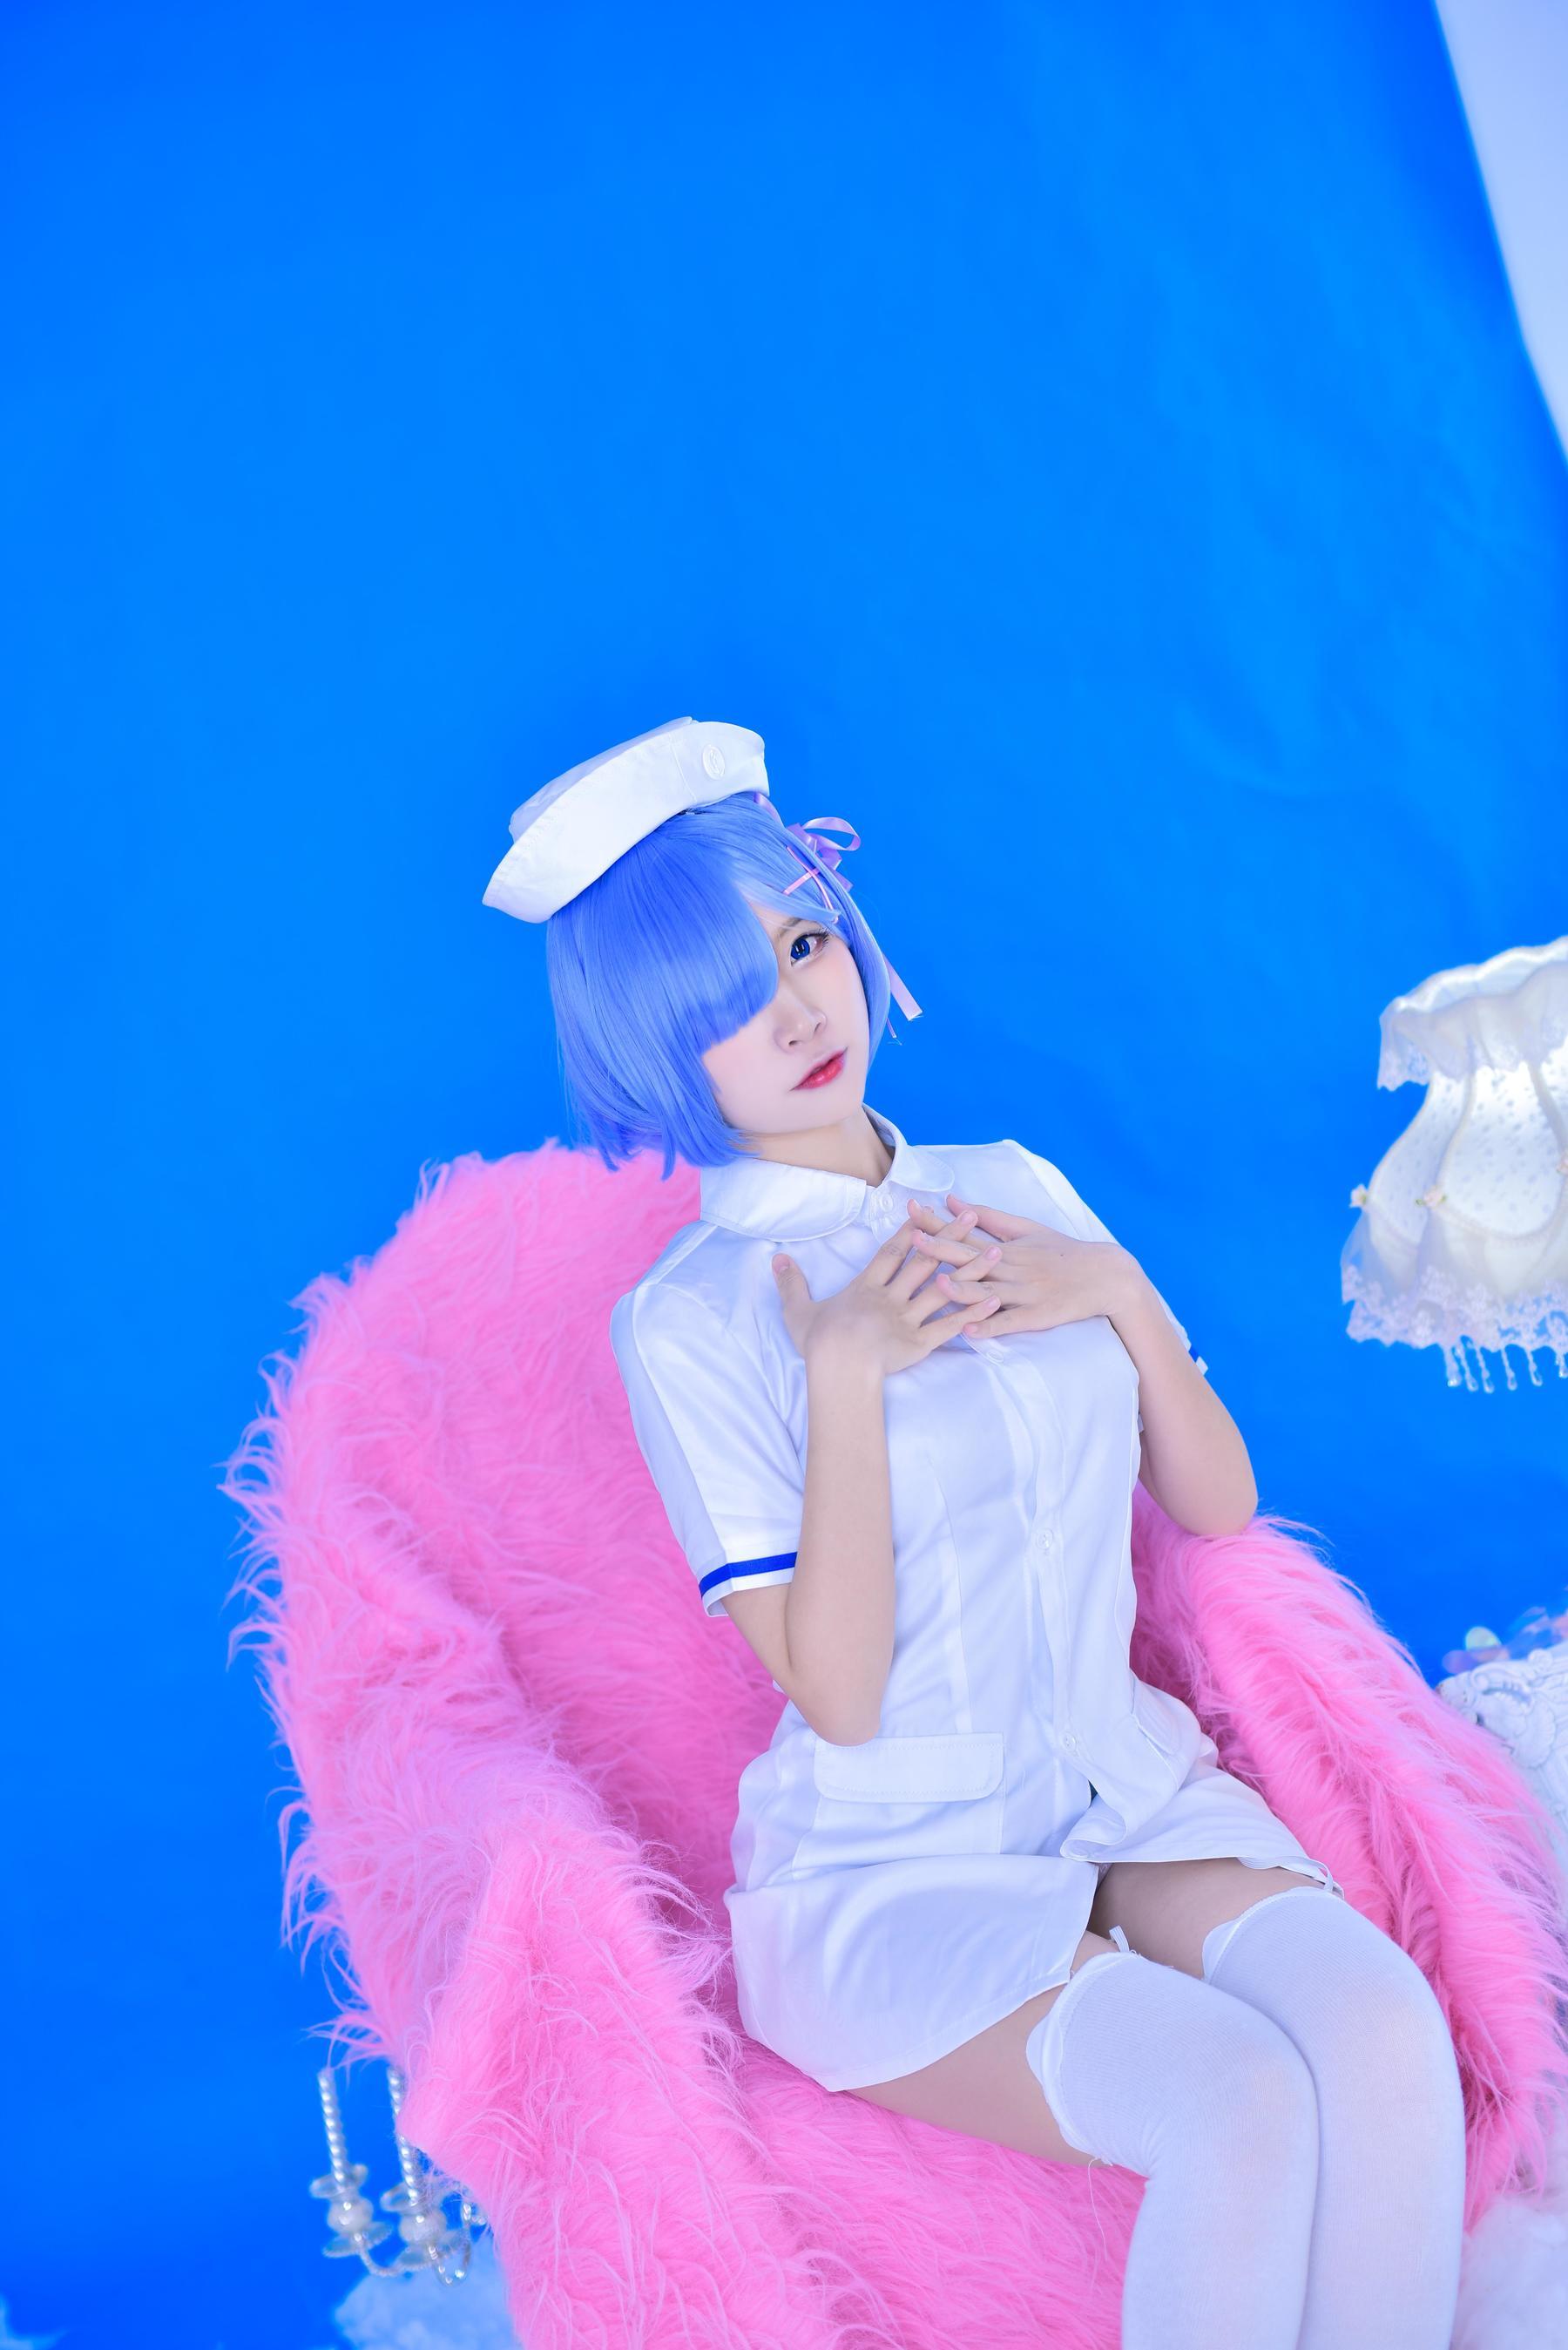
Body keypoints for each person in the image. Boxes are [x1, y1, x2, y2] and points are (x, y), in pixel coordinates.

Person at [483, 715, 1470, 2350]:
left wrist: (1120, 1292)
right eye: (724, 1003)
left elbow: (1215, 1502)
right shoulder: (691, 1318)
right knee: (1236, 2103)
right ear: (662, 1052)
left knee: (1378, 2028)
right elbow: (839, 1692)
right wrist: (848, 1375)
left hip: (1119, 1783)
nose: (797, 1011)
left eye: (803, 944)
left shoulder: (1011, 1181)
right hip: (895, 1861)